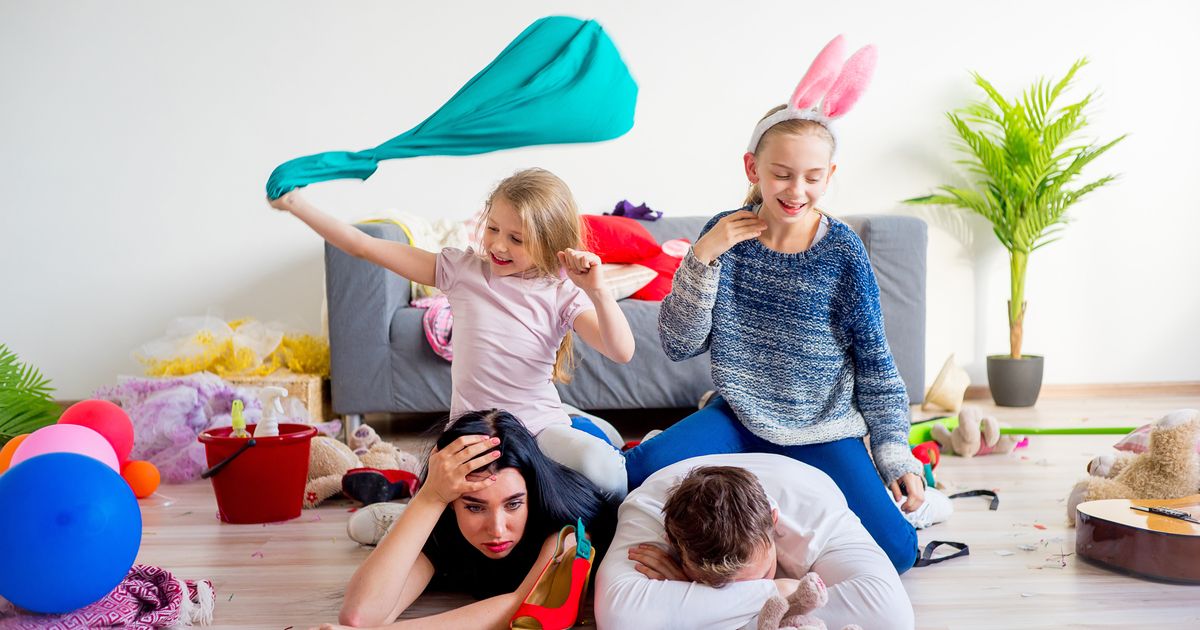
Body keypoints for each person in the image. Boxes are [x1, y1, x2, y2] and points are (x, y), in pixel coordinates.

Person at [622, 37, 946, 572]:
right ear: (752, 167)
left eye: (813, 177)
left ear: (830, 177)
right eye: (781, 173)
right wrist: (703, 258)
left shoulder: (842, 252)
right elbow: (678, 344)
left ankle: (901, 487)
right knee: (642, 468)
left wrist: (893, 452)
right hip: (739, 414)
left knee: (898, 553)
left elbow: (876, 364)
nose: (796, 190)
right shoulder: (723, 236)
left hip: (822, 425)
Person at [270, 168, 635, 498]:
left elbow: (621, 351)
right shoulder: (461, 270)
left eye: (516, 238)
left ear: (550, 243)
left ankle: (586, 429)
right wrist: (297, 204)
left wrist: (598, 291)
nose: (497, 245)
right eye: (492, 228)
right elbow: (361, 246)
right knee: (448, 502)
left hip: (538, 426)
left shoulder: (561, 293)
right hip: (474, 432)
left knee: (605, 474)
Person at [320, 409, 616, 629]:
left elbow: (522, 604)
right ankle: (406, 513)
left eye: (513, 504)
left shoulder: (564, 522)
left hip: (585, 433)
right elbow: (359, 616)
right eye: (475, 507)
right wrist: (430, 496)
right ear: (450, 504)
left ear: (531, 495)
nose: (497, 530)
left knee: (609, 463)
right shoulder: (445, 517)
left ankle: (397, 519)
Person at [595, 454, 914, 630]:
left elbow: (892, 615)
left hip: (803, 472)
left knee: (900, 547)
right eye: (714, 585)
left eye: (762, 576)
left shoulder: (816, 515)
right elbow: (620, 618)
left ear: (773, 521)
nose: (742, 588)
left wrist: (693, 602)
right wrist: (782, 588)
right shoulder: (647, 510)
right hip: (675, 467)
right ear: (670, 543)